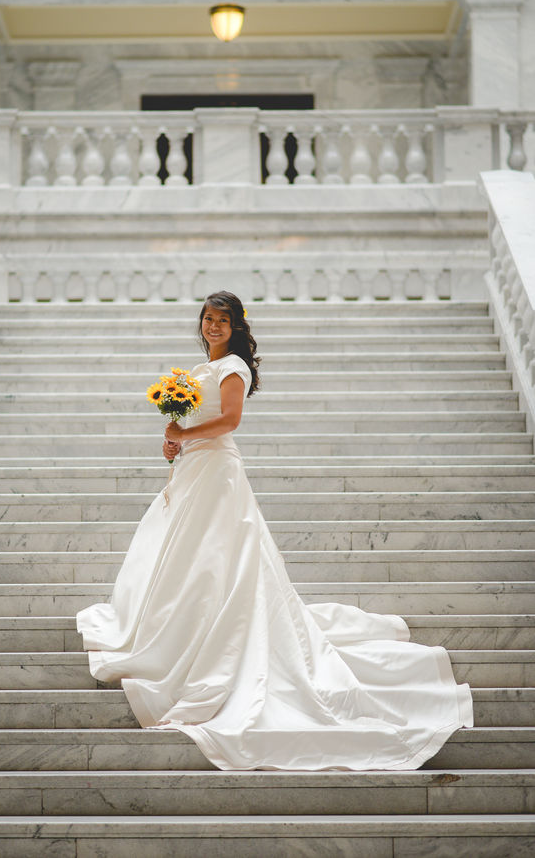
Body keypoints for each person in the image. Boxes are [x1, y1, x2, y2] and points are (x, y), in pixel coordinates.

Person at [76, 290, 473, 771]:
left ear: (237, 326)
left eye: (222, 319)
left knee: (219, 558)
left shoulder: (233, 369)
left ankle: (212, 639)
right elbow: (197, 422)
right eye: (207, 318)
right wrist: (174, 442)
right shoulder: (201, 369)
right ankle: (182, 627)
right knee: (190, 558)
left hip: (218, 475)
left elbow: (230, 421)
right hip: (193, 470)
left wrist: (185, 435)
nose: (213, 325)